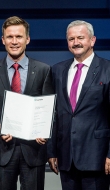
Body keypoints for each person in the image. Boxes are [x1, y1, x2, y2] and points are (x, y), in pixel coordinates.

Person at [0, 16, 54, 190]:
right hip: (2, 150)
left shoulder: (43, 70)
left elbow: (49, 109)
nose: (14, 41)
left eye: (19, 36)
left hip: (34, 151)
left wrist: (44, 132)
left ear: (28, 39)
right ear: (3, 40)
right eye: (10, 37)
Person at [48, 20, 110, 190]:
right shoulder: (57, 70)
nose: (76, 42)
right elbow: (53, 114)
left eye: (80, 37)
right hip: (66, 156)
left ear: (93, 40)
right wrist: (51, 151)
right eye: (71, 39)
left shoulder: (107, 69)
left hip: (97, 157)